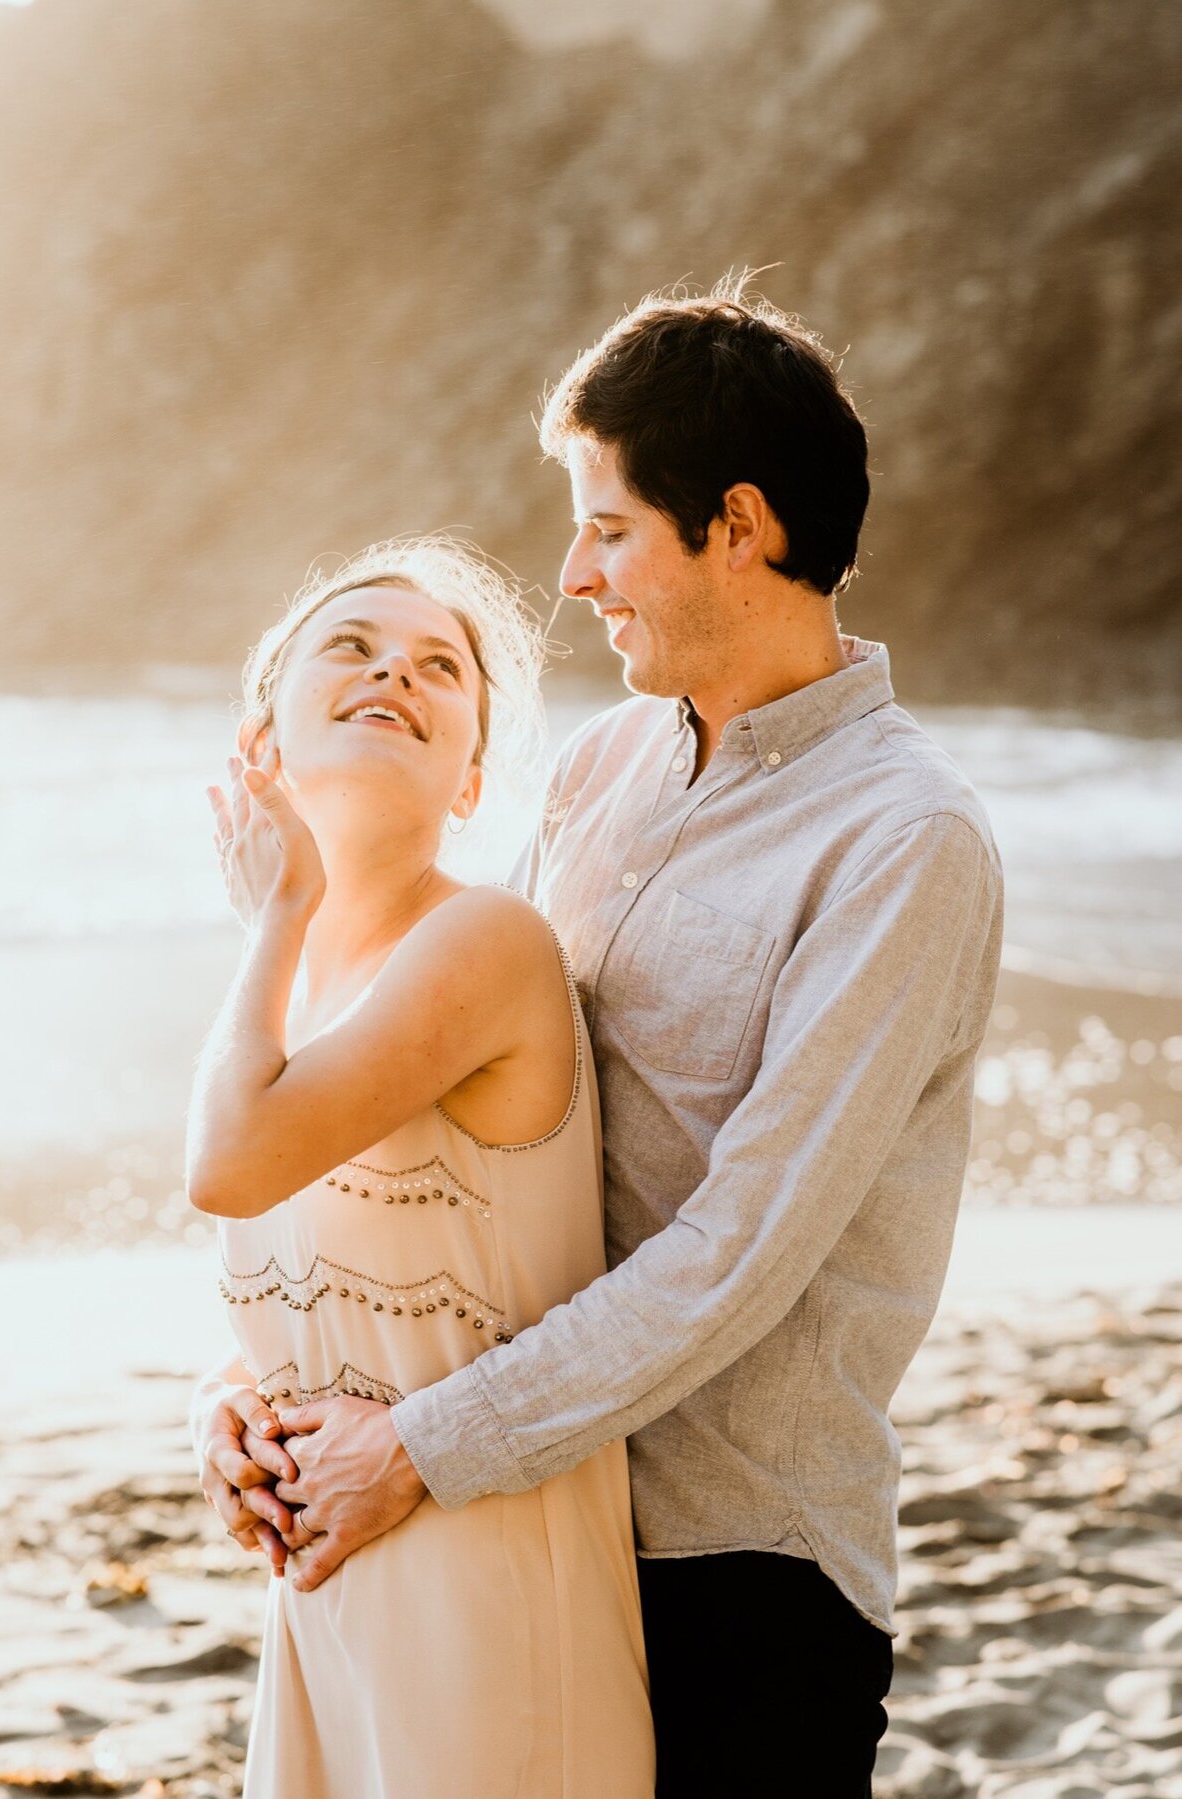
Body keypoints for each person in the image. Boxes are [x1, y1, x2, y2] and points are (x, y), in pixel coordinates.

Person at [200, 278, 1004, 1796]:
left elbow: (737, 1253)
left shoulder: (908, 843)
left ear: (741, 526)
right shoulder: (603, 768)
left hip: (736, 1561)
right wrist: (242, 1394)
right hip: (525, 1522)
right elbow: (448, 1145)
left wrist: (414, 1448)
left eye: (610, 527)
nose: (571, 574)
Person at [187, 537, 655, 1797]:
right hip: (330, 1586)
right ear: (261, 739)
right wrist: (225, 1400)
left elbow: (228, 1164)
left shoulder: (486, 943)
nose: (396, 668)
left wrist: (276, 913)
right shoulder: (277, 995)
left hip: (489, 1598)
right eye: (352, 644)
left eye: (440, 666)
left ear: (468, 781)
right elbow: (320, 1270)